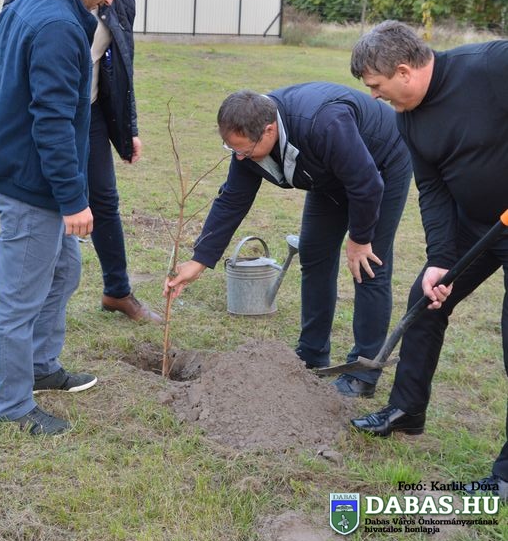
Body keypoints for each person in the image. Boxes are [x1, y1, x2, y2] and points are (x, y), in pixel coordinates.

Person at [0, 0, 132, 435]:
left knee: (64, 270)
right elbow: (53, 120)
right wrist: (72, 199)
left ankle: (41, 366)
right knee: (18, 298)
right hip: (30, 179)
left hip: (13, 161)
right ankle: (11, 405)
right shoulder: (59, 24)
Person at [164, 84, 412, 397]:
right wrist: (199, 260)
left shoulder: (324, 123)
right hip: (328, 171)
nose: (239, 157)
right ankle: (311, 353)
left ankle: (363, 373)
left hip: (381, 163)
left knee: (368, 264)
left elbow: (367, 183)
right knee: (314, 252)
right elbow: (232, 200)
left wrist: (361, 239)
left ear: (269, 130)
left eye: (244, 150)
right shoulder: (249, 136)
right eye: (232, 149)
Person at [349, 20, 508, 500]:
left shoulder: (491, 66)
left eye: (376, 86)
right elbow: (433, 189)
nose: (374, 96)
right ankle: (407, 410)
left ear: (403, 71)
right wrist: (440, 258)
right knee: (425, 304)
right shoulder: (408, 117)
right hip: (475, 225)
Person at [3, 0, 160, 325]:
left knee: (104, 199)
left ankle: (117, 291)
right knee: (32, 204)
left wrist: (129, 126)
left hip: (87, 110)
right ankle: (10, 294)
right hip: (40, 113)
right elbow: (9, 61)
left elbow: (123, 58)